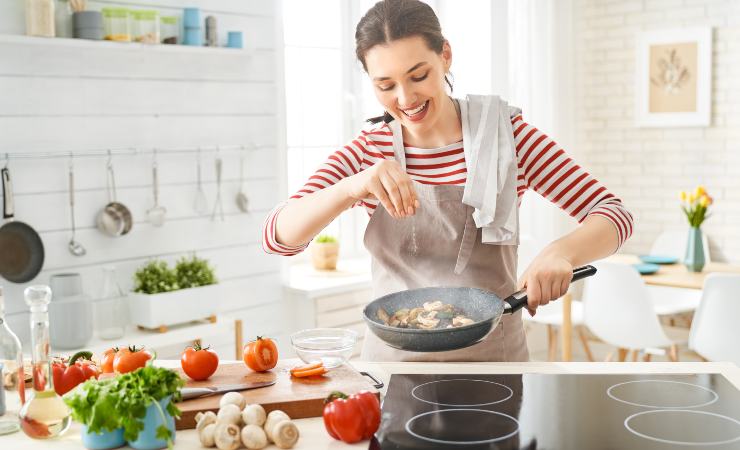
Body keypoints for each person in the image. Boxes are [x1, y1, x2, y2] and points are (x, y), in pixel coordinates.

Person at [263, 0, 633, 362]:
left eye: (418, 76)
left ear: (445, 56)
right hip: (392, 367)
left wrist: (561, 252)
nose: (405, 98)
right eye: (385, 85)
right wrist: (352, 187)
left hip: (493, 362)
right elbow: (278, 237)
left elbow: (615, 215)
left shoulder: (507, 138)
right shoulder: (369, 152)